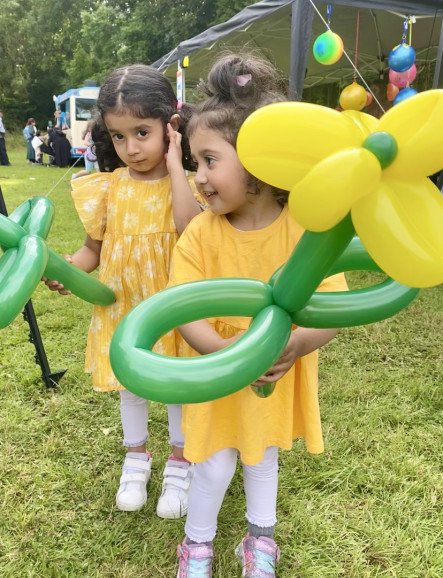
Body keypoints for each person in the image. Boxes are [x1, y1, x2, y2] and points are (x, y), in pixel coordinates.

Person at [168, 53, 348, 577]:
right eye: (194, 162)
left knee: (261, 455)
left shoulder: (304, 229)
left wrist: (296, 344)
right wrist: (228, 357)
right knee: (213, 460)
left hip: (275, 371)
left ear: (259, 160)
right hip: (218, 371)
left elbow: (332, 308)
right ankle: (197, 545)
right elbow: (183, 309)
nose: (198, 178)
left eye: (209, 160)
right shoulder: (200, 232)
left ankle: (260, 540)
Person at [43, 64, 202, 519]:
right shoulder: (109, 187)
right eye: (118, 137)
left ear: (170, 126)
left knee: (174, 384)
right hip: (124, 306)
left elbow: (191, 231)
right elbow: (94, 248)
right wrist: (72, 269)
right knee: (129, 386)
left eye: (142, 132)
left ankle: (180, 460)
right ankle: (136, 458)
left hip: (171, 306)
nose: (130, 148)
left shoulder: (188, 187)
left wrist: (175, 162)